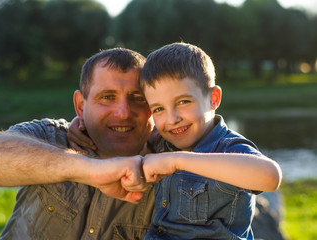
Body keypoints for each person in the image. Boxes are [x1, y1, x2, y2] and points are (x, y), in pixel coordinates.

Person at [68, 43, 282, 239]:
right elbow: (124, 132)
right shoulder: (166, 141)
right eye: (158, 109)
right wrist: (81, 123)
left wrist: (177, 161)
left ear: (213, 99)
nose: (172, 119)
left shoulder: (226, 147)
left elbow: (270, 176)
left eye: (183, 102)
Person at [0, 48, 156, 239]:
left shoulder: (173, 167)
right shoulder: (50, 136)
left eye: (138, 98)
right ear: (80, 106)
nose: (123, 112)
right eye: (107, 97)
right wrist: (91, 170)